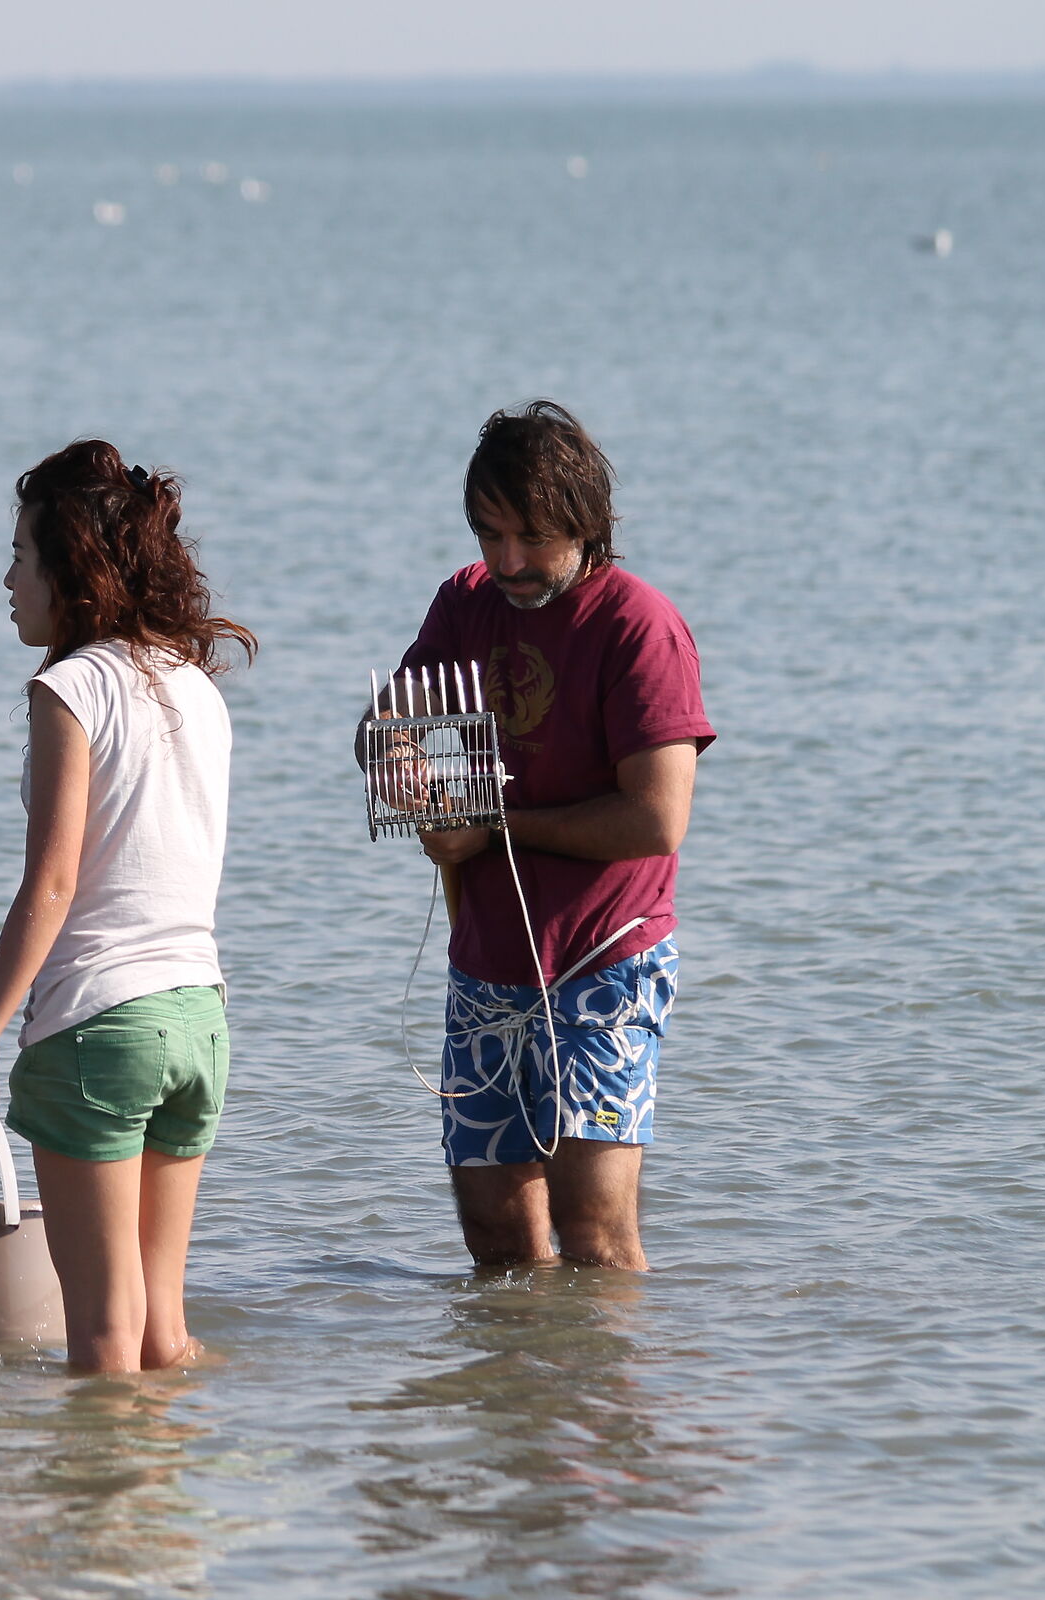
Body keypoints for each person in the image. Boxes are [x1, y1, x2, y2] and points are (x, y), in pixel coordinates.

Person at [0, 441, 255, 1374]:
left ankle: (100, 1518)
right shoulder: (196, 687)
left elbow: (53, 885)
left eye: (21, 556)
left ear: (70, 570)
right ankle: (169, 1514)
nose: (6, 578)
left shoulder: (69, 688)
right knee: (164, 1330)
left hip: (99, 1028)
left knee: (103, 1338)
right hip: (199, 1018)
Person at [379, 402, 714, 1272]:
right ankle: (515, 1401)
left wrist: (491, 829)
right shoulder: (466, 602)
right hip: (487, 964)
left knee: (595, 1235)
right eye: (490, 535)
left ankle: (608, 1407)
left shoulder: (639, 626)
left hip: (606, 960)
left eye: (533, 536)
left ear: (588, 522)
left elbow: (657, 818)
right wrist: (406, 770)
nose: (509, 562)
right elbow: (387, 724)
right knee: (495, 1238)